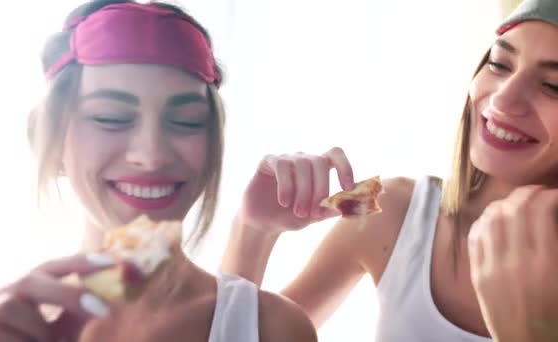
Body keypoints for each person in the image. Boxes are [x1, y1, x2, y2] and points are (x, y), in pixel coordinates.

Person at [0, 1, 317, 341]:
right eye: (111, 118)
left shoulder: (273, 326)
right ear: (53, 139)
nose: (152, 155)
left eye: (186, 121)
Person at [221, 0, 558, 341]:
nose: (502, 101)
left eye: (553, 86)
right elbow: (238, 335)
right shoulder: (392, 206)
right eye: (500, 64)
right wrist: (252, 232)